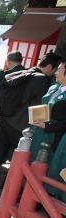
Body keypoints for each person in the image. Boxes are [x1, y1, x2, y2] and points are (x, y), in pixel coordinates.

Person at [0, 52, 61, 189]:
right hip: (19, 124)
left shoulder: (26, 72)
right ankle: (8, 187)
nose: (55, 73)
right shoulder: (42, 80)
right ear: (49, 67)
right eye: (56, 69)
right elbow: (39, 104)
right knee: (21, 158)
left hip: (4, 119)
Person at [39, 61, 66, 201]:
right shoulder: (56, 87)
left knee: (56, 168)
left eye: (59, 70)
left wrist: (48, 126)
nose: (56, 72)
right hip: (46, 133)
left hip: (59, 137)